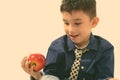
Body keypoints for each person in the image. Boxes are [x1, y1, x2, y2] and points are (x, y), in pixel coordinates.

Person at [21, 0, 115, 80]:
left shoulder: (105, 49)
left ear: (93, 22)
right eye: (66, 23)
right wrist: (37, 75)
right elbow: (50, 75)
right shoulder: (56, 47)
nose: (71, 30)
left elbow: (103, 76)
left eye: (77, 23)